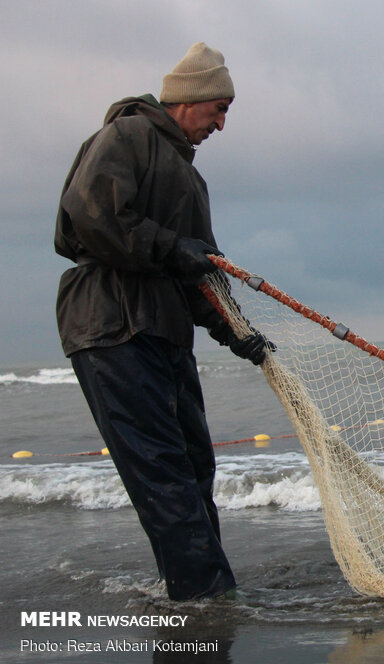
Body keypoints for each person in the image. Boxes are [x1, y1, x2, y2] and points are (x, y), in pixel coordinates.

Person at [54, 43, 270, 601]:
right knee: (163, 473)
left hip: (165, 331)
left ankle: (195, 591)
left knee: (196, 469)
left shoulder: (192, 182)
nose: (222, 124)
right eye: (218, 108)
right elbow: (89, 218)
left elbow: (204, 276)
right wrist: (174, 249)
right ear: (189, 99)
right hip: (109, 326)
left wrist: (237, 331)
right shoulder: (125, 137)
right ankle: (209, 601)